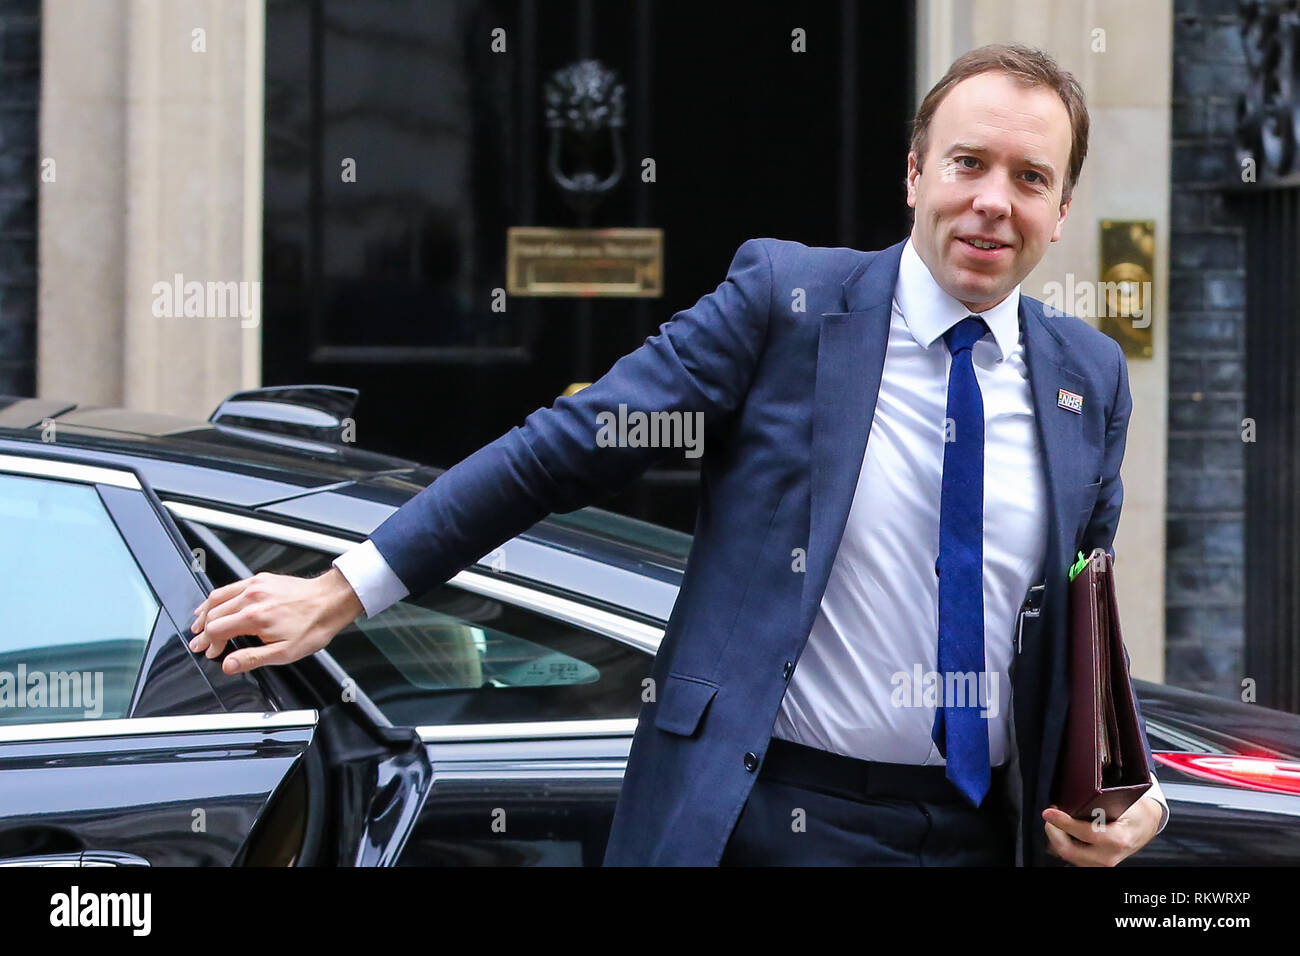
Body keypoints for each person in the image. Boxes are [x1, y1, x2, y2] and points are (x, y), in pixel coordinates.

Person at [189, 43, 1170, 866]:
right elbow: (564, 448)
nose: (992, 200)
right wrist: (343, 587)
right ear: (914, 173)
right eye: (968, 163)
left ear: (1061, 207)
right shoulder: (785, 302)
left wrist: (1124, 776)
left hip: (979, 832)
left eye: (1028, 177)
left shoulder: (1087, 373)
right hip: (773, 815)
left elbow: (1084, 610)